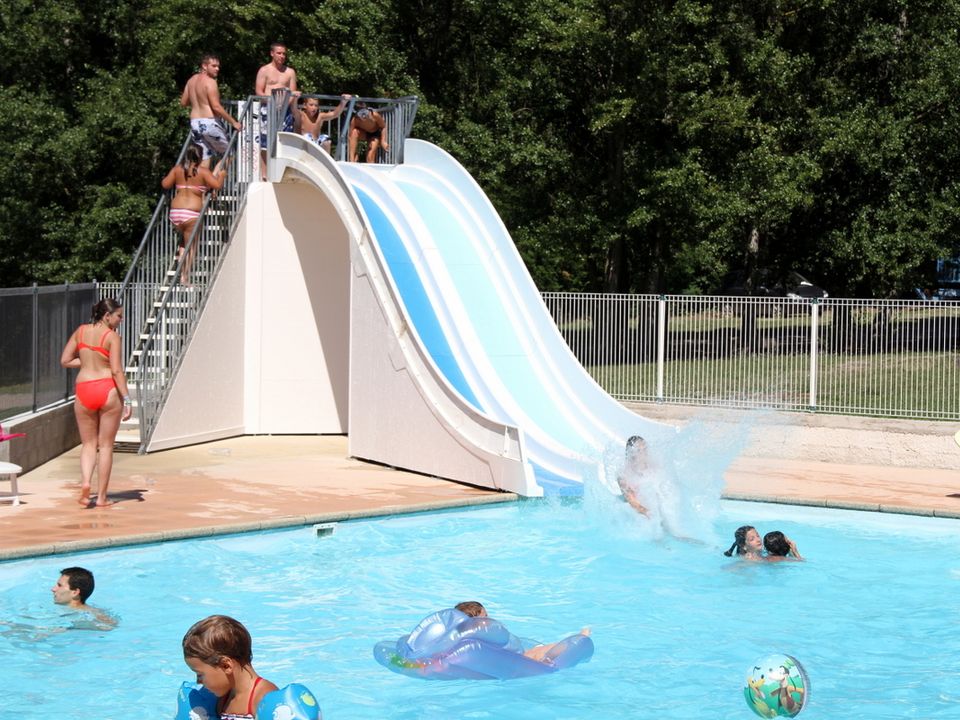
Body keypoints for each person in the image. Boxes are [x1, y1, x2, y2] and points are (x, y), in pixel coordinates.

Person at [60, 298, 132, 508]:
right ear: (107, 316)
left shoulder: (81, 331)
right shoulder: (112, 337)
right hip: (106, 389)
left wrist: (87, 359)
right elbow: (117, 370)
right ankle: (101, 497)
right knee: (106, 446)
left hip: (84, 389)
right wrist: (127, 399)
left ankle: (85, 486)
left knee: (88, 444)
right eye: (119, 315)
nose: (121, 319)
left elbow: (64, 360)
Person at [182, 615, 279, 719]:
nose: (198, 682)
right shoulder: (222, 699)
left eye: (200, 674)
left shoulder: (264, 697)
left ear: (226, 666)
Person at [160, 143, 226, 286]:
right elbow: (217, 186)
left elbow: (165, 184)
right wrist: (222, 176)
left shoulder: (178, 170)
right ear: (200, 156)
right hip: (191, 214)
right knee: (192, 246)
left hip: (175, 213)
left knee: (184, 243)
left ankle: (181, 268)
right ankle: (184, 276)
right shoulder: (202, 172)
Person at [455, 601, 591, 662]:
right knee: (543, 651)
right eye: (484, 617)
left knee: (538, 650)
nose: (488, 618)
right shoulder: (479, 638)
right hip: (518, 659)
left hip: (516, 654)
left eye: (487, 615)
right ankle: (578, 639)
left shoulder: (481, 633)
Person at [181, 52, 242, 168]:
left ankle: (202, 185)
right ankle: (213, 181)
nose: (217, 69)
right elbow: (216, 107)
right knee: (229, 153)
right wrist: (233, 122)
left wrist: (197, 100)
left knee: (204, 155)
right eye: (213, 66)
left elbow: (183, 102)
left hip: (195, 123)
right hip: (209, 122)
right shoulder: (210, 82)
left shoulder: (191, 80)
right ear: (204, 66)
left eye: (218, 66)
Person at [255, 42, 299, 179]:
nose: (282, 56)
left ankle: (281, 172)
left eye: (284, 53)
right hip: (268, 109)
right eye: (279, 53)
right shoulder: (264, 70)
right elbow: (258, 91)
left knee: (284, 140)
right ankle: (264, 173)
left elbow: (293, 92)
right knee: (265, 143)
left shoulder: (290, 72)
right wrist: (272, 102)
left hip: (284, 111)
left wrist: (285, 104)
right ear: (272, 53)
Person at [51, 567, 116, 628]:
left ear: (75, 592)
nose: (53, 589)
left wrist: (74, 628)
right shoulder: (78, 612)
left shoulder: (85, 614)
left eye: (60, 585)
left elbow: (109, 626)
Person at [616, 435, 650, 516]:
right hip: (637, 514)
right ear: (630, 454)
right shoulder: (623, 475)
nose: (643, 453)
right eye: (639, 450)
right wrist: (650, 513)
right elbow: (633, 503)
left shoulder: (654, 468)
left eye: (644, 449)